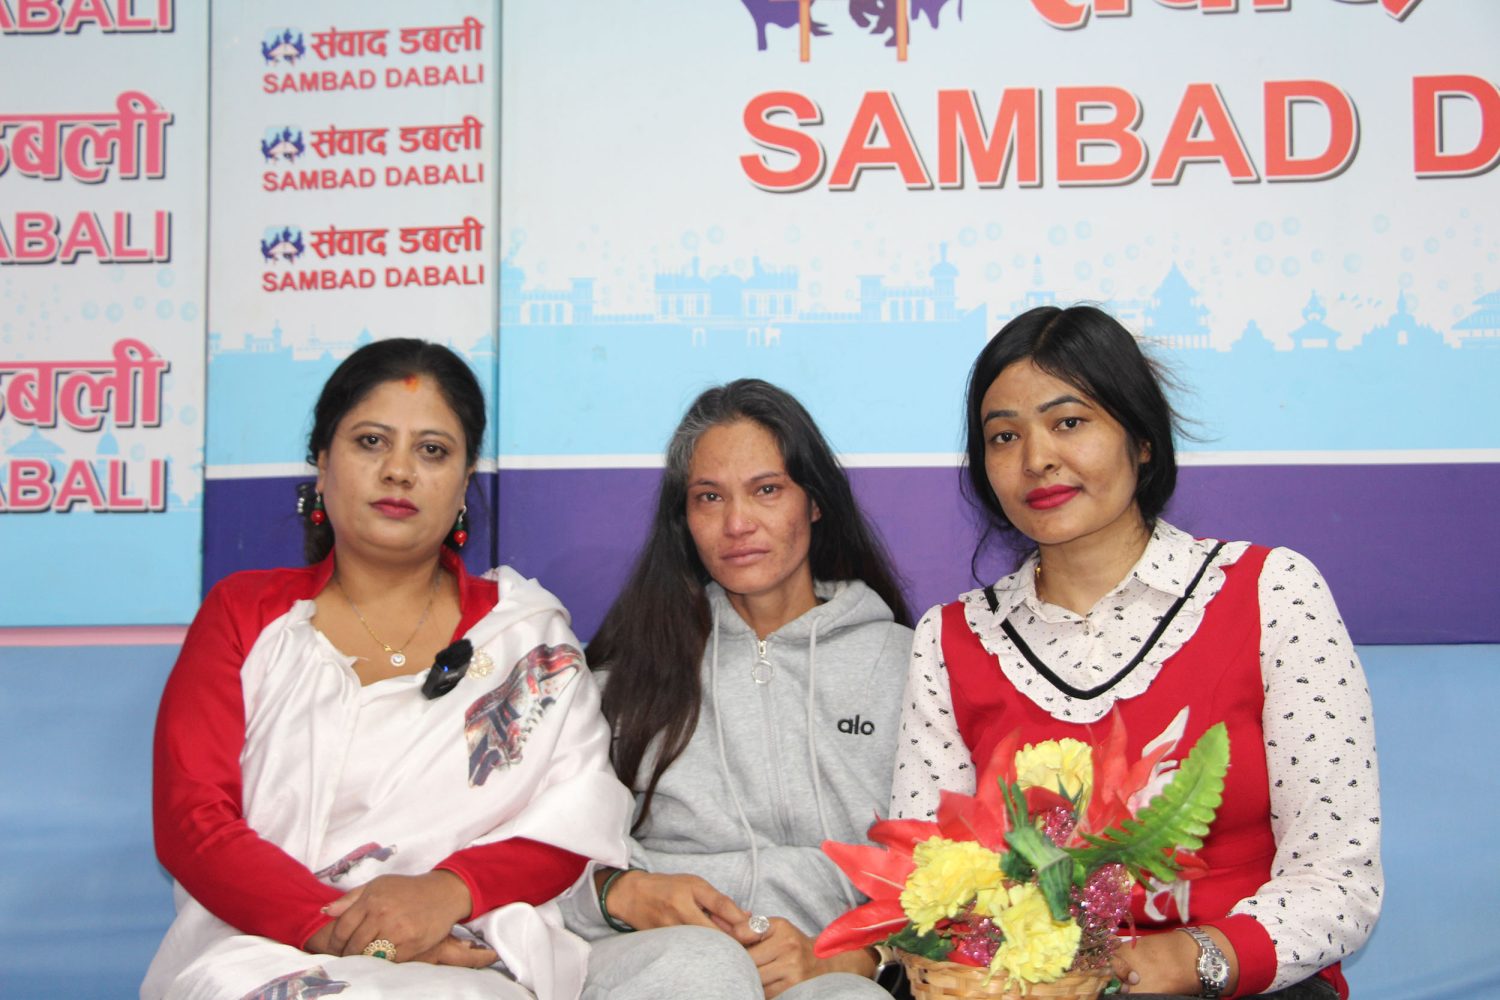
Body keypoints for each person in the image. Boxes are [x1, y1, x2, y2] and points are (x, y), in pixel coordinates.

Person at [891, 306, 1382, 1000]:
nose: (1037, 459)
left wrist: (1195, 958)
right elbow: (925, 878)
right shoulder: (951, 639)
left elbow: (1339, 880)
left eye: (1069, 422)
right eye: (1004, 436)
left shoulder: (1271, 592)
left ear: (1142, 439)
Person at [144, 339, 632, 1000]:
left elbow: (574, 819)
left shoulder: (528, 638)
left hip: (466, 952)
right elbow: (193, 821)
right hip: (261, 950)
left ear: (464, 482)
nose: (399, 470)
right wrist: (356, 935)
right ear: (322, 464)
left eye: (432, 450)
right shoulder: (247, 616)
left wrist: (447, 893)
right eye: (371, 442)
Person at [563, 379, 913, 1000]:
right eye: (709, 497)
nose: (737, 523)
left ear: (814, 502)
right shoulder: (623, 672)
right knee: (703, 969)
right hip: (660, 958)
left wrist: (861, 958)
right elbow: (540, 859)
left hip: (824, 962)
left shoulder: (906, 664)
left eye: (767, 490)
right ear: (684, 518)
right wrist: (619, 892)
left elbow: (956, 872)